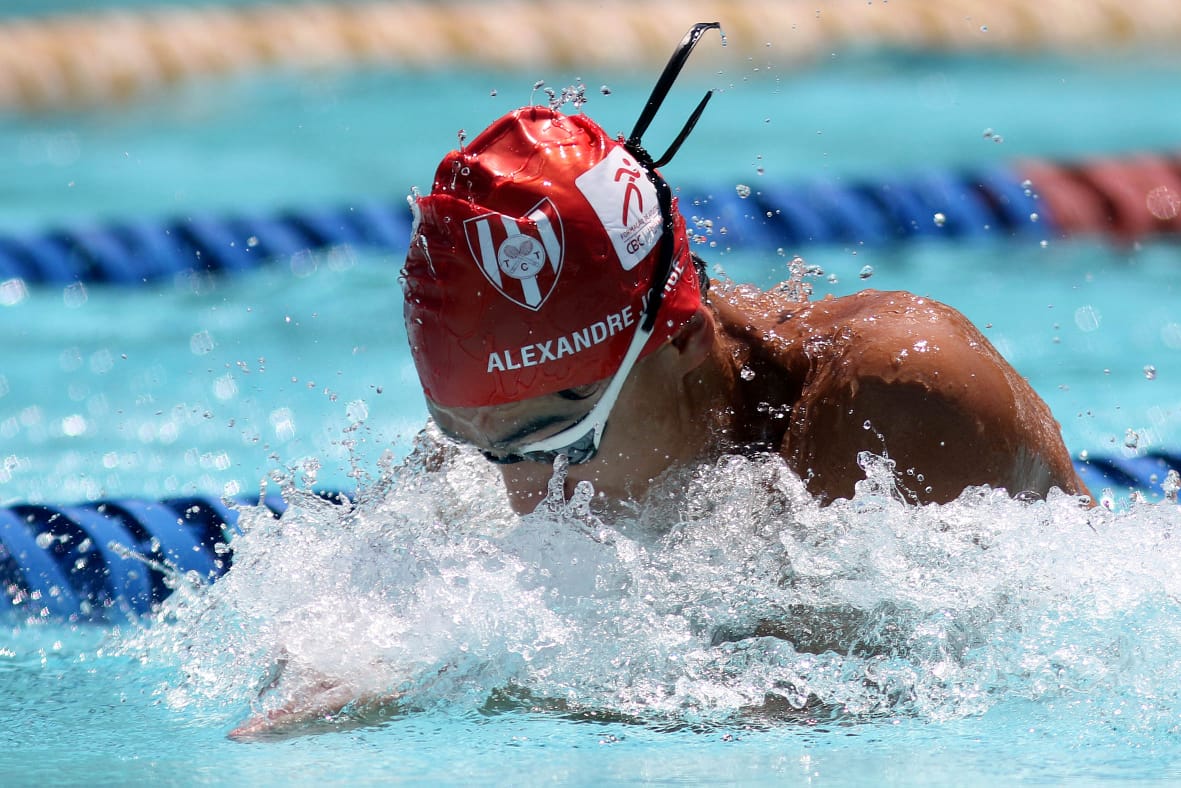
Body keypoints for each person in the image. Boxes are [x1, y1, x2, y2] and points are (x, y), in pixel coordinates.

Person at [401, 24, 1089, 515]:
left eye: (565, 441)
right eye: (470, 440)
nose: (526, 502)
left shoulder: (891, 404)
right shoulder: (500, 431)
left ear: (680, 339)